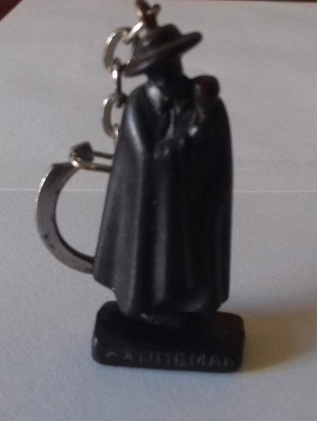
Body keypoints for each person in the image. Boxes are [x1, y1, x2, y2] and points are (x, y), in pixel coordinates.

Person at [93, 18, 233, 321]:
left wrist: (203, 130)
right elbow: (145, 159)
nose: (166, 72)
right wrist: (185, 139)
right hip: (152, 205)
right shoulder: (139, 105)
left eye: (169, 63)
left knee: (193, 255)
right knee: (153, 253)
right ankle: (148, 300)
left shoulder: (204, 102)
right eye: (157, 67)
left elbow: (217, 156)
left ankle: (190, 302)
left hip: (192, 202)